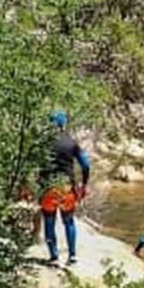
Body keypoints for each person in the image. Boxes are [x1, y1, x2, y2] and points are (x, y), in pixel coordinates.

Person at [38, 110, 91, 266]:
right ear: (64, 124)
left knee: (49, 222)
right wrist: (84, 184)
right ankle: (72, 256)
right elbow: (86, 165)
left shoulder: (42, 143)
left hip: (48, 188)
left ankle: (54, 256)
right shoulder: (71, 142)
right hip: (66, 188)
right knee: (68, 222)